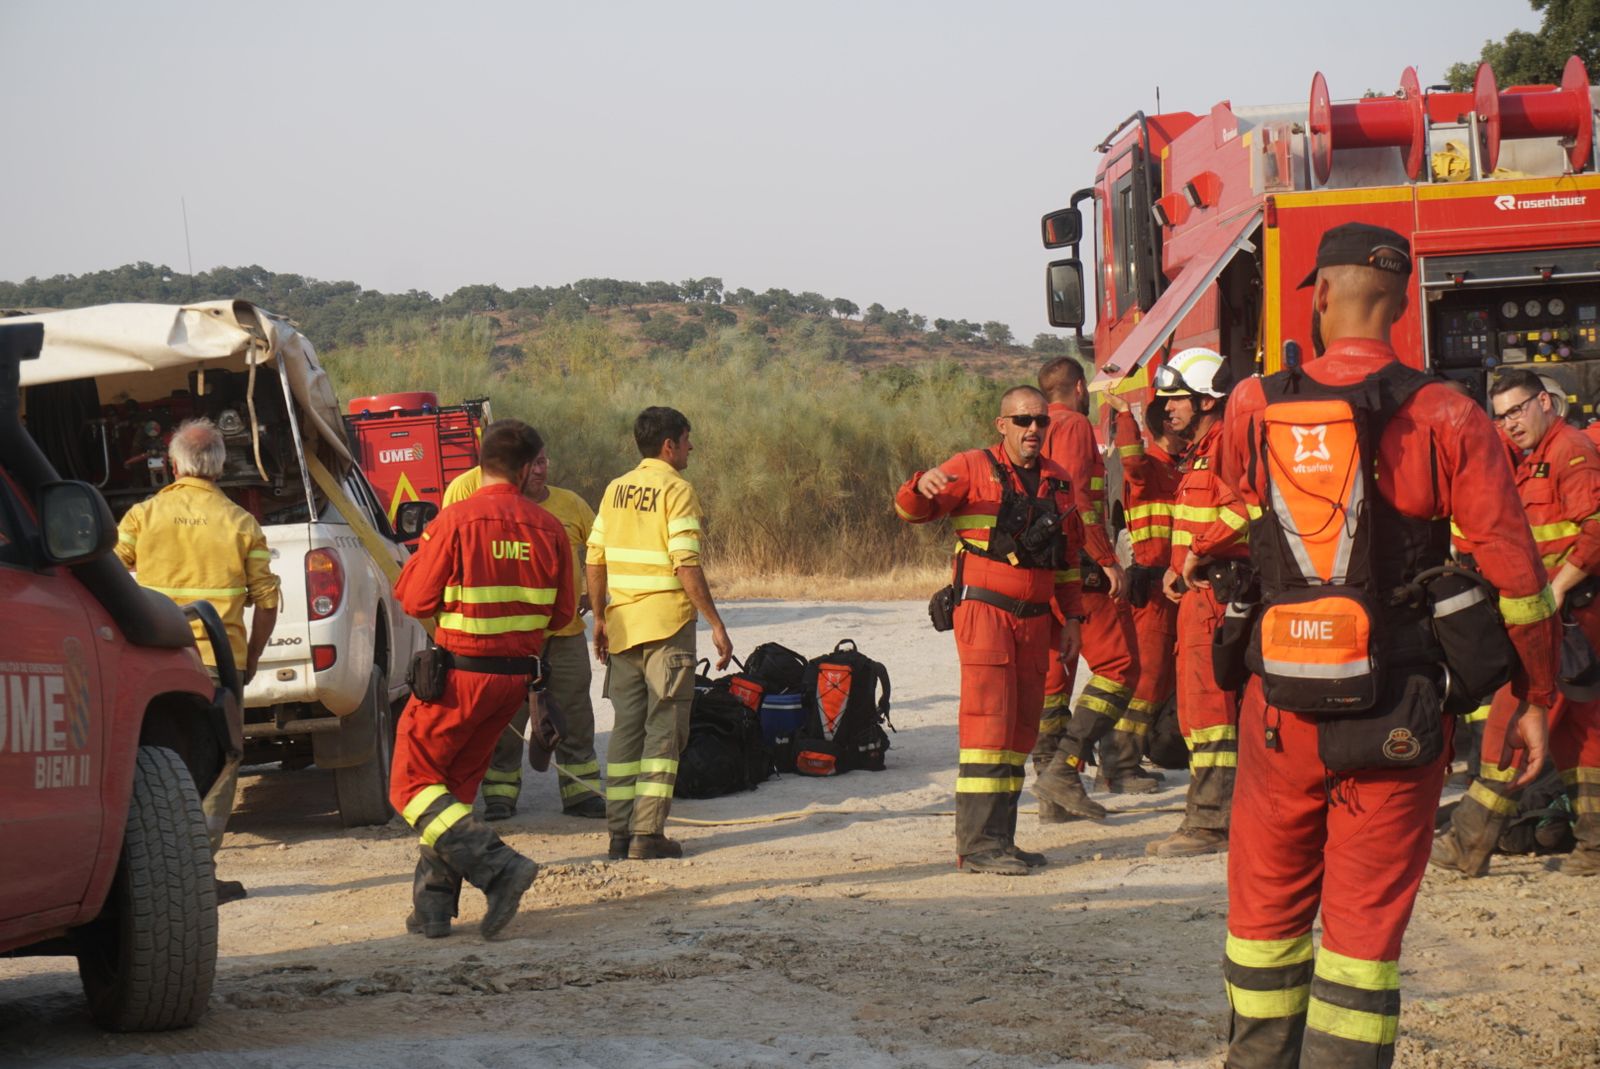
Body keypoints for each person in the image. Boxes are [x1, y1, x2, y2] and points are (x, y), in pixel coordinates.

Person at [1197, 223, 1560, 1068]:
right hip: (1399, 710)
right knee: (1361, 939)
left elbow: (1227, 515)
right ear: (1400, 305)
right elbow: (1517, 575)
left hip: (1280, 706)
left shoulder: (1253, 404)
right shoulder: (1447, 412)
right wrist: (1535, 695)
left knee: (1263, 922)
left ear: (1321, 295)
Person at [388, 419, 575, 939]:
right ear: (525, 467)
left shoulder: (455, 520)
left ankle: (500, 868)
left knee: (410, 786)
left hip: (459, 680)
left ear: (481, 463)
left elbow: (415, 600)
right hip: (512, 686)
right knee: (450, 791)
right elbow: (563, 615)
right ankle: (432, 908)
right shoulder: (550, 528)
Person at [895, 385, 1086, 874]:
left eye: (1041, 421)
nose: (1033, 429)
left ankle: (1002, 840)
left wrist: (1073, 619)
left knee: (1021, 727)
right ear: (1002, 425)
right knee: (988, 724)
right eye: (1022, 420)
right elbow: (912, 512)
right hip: (986, 615)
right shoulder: (972, 466)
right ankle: (979, 846)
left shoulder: (1058, 481)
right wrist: (919, 485)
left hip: (1036, 620)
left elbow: (1068, 561)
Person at [1431, 367, 1600, 878]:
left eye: (1518, 411)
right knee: (1580, 736)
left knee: (1510, 724)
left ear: (1546, 403)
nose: (1510, 424)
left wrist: (1557, 588)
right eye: (1501, 416)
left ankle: (1468, 842)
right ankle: (1594, 845)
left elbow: (1596, 528)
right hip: (1567, 617)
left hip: (1565, 619)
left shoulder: (1570, 452)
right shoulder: (1533, 459)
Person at [115, 417, 280, 904]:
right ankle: (198, 874)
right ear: (221, 467)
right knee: (220, 765)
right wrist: (251, 656)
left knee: (155, 764)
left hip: (154, 665)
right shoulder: (241, 523)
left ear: (173, 465)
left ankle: (146, 873)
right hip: (218, 667)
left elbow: (110, 574)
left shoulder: (143, 516)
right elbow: (267, 601)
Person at [587, 407, 732, 861]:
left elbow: (594, 558)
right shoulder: (677, 490)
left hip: (623, 627)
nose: (691, 447)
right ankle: (647, 834)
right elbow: (685, 562)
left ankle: (618, 833)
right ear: (669, 445)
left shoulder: (615, 489)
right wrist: (715, 622)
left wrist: (600, 618)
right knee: (665, 731)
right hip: (667, 626)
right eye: (687, 440)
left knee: (626, 730)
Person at [442, 446, 606, 820]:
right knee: (506, 719)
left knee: (575, 713)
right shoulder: (486, 501)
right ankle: (500, 796)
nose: (538, 470)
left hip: (564, 635)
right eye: (531, 463)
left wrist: (592, 597)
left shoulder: (571, 504)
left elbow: (600, 552)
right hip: (510, 636)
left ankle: (581, 794)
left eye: (544, 461)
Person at [1029, 359, 1148, 821]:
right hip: (1079, 566)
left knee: (1054, 680)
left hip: (1044, 569)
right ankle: (1064, 769)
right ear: (1079, 388)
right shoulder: (1075, 425)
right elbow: (1078, 498)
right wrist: (1106, 559)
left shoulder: (1032, 430)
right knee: (1119, 667)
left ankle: (1051, 795)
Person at [1151, 346, 1244, 857]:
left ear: (1207, 400)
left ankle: (1210, 822)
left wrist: (1198, 553)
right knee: (1195, 710)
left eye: (1177, 398)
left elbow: (1245, 508)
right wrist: (1177, 564)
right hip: (1197, 594)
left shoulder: (1226, 443)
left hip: (1215, 597)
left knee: (1211, 710)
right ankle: (1210, 813)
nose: (1168, 408)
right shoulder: (1202, 450)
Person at [1107, 390, 1185, 786]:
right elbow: (1132, 461)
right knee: (1147, 678)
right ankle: (1119, 765)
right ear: (1167, 426)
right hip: (1152, 590)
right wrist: (1125, 416)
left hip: (1177, 589)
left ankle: (1140, 753)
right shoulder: (1148, 467)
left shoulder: (1180, 470)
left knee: (1166, 677)